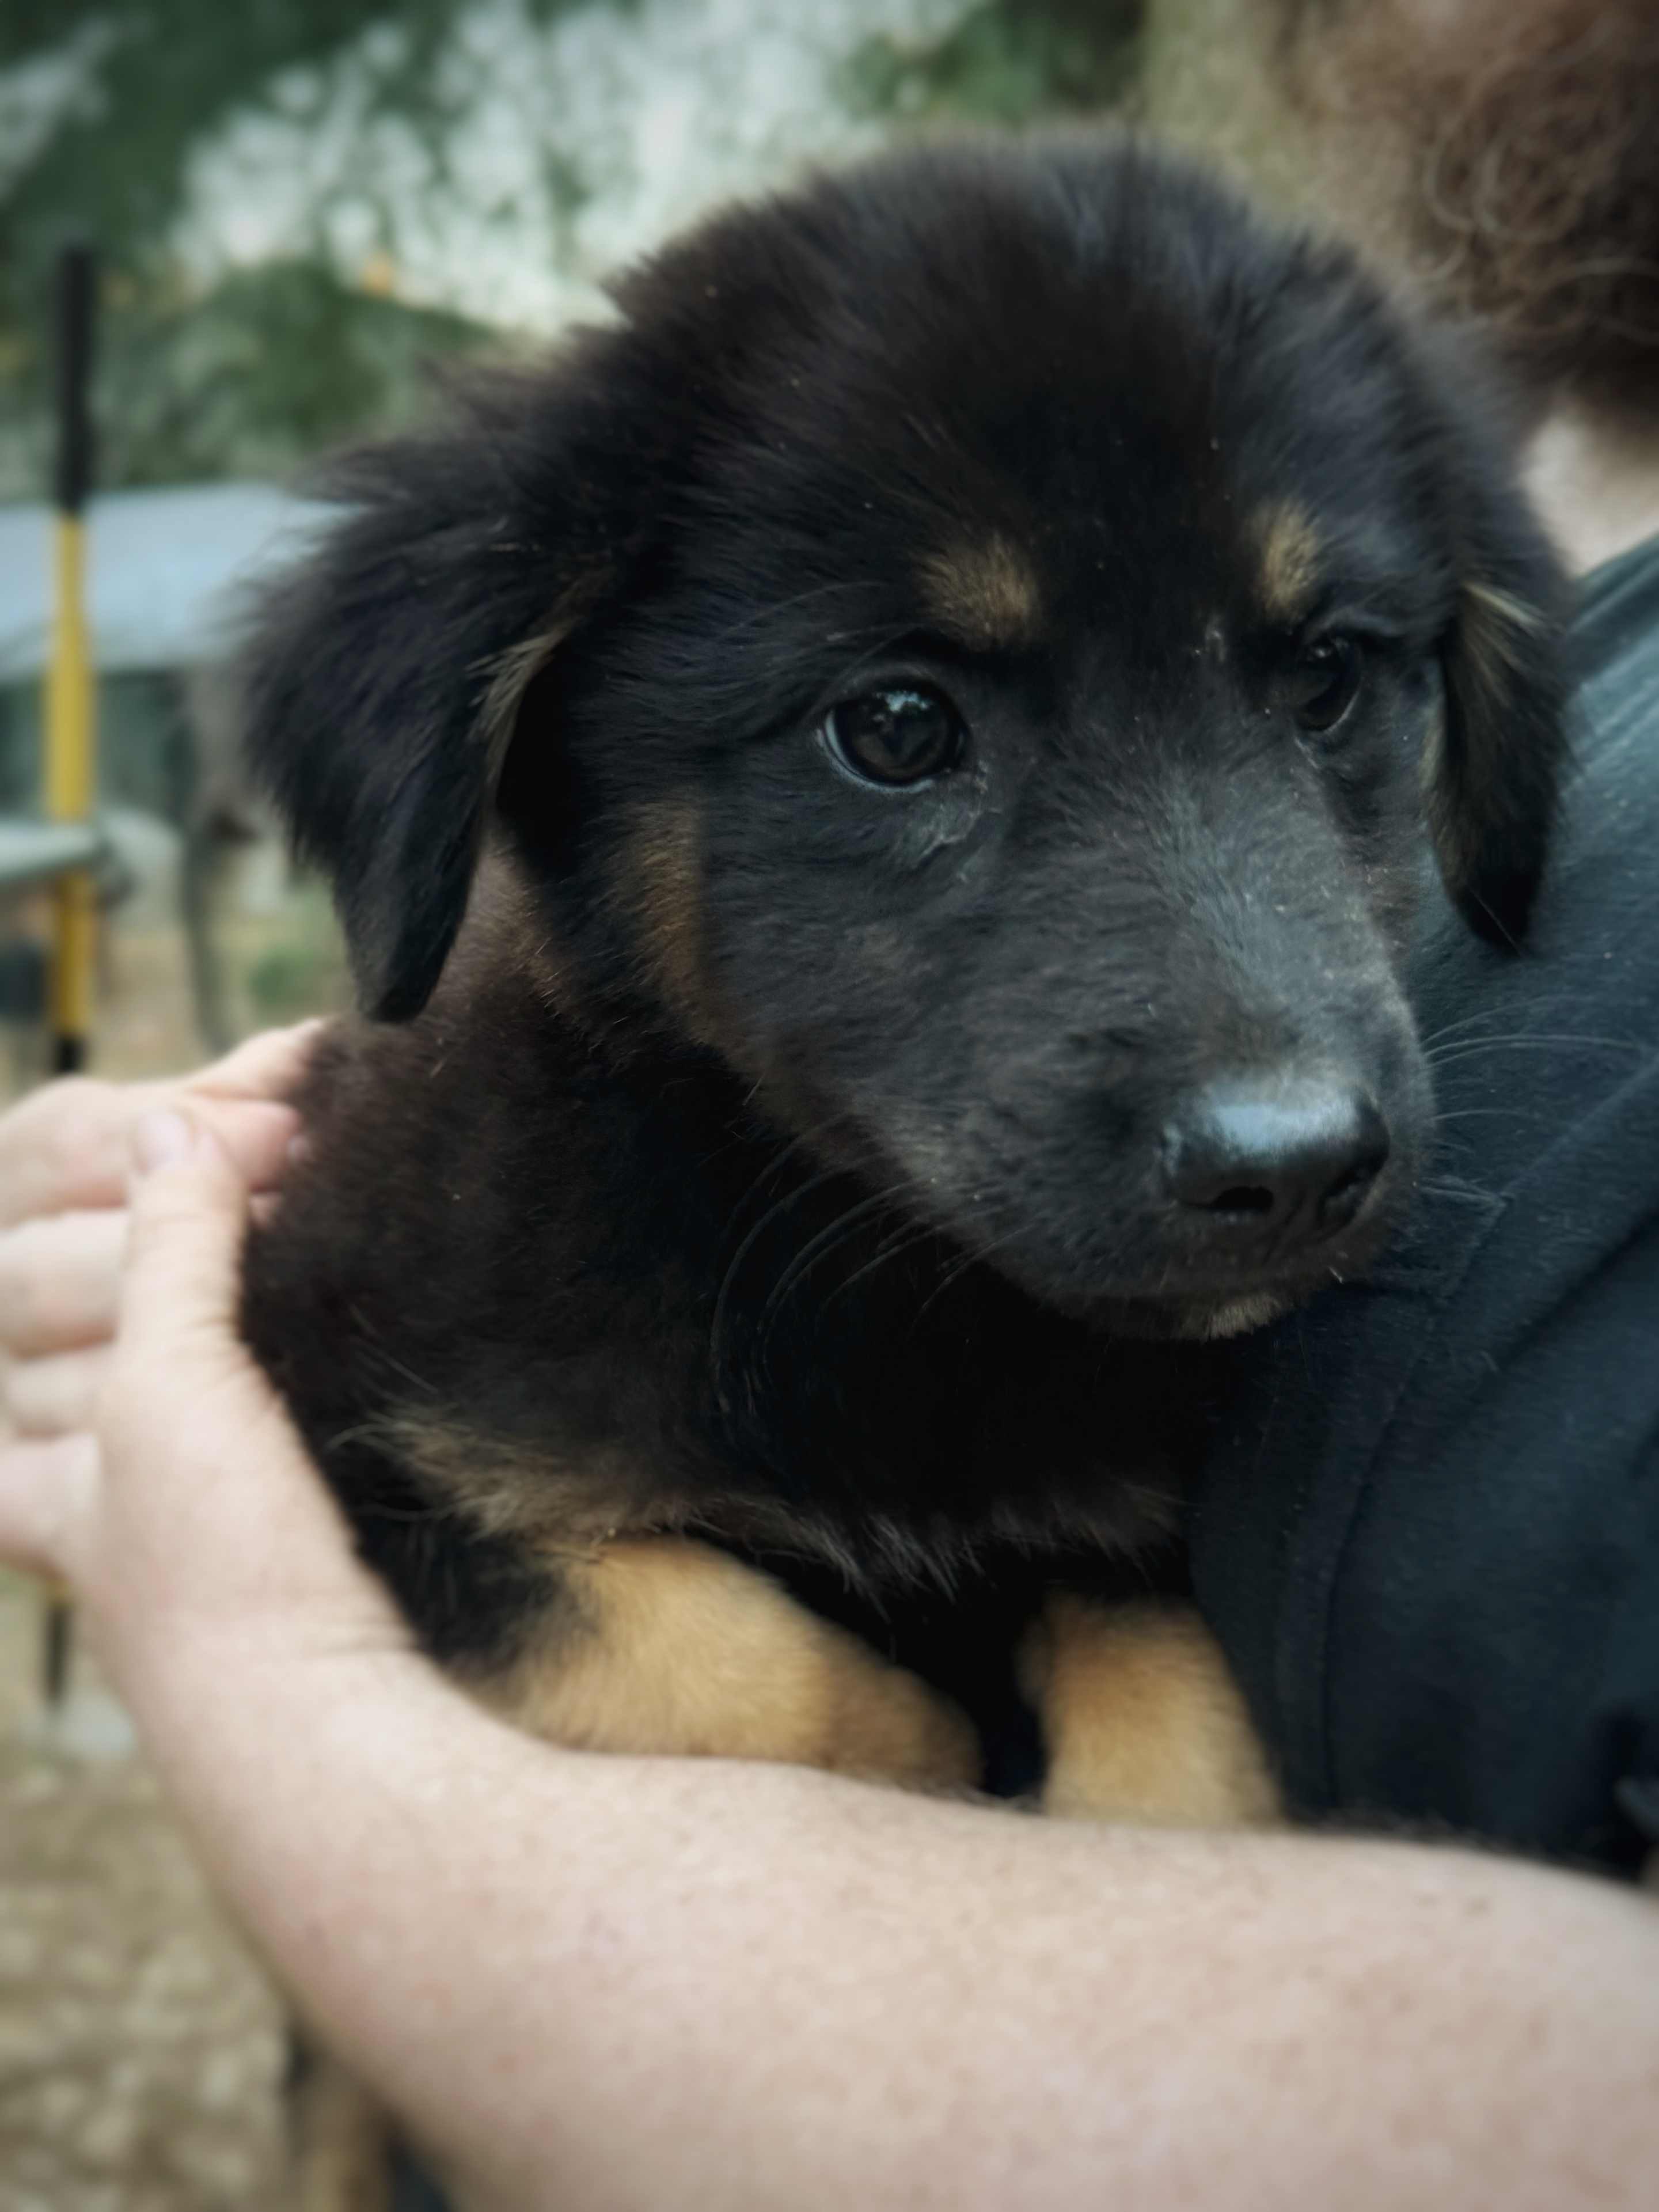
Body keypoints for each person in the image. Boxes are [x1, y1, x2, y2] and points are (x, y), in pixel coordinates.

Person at [2, 5, 1658, 2205]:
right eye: (899, 728)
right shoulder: (500, 1238)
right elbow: (358, 1461)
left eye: (1323, 683)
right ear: (520, 740)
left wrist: (275, 1695)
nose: (1275, 1081)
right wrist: (819, 1727)